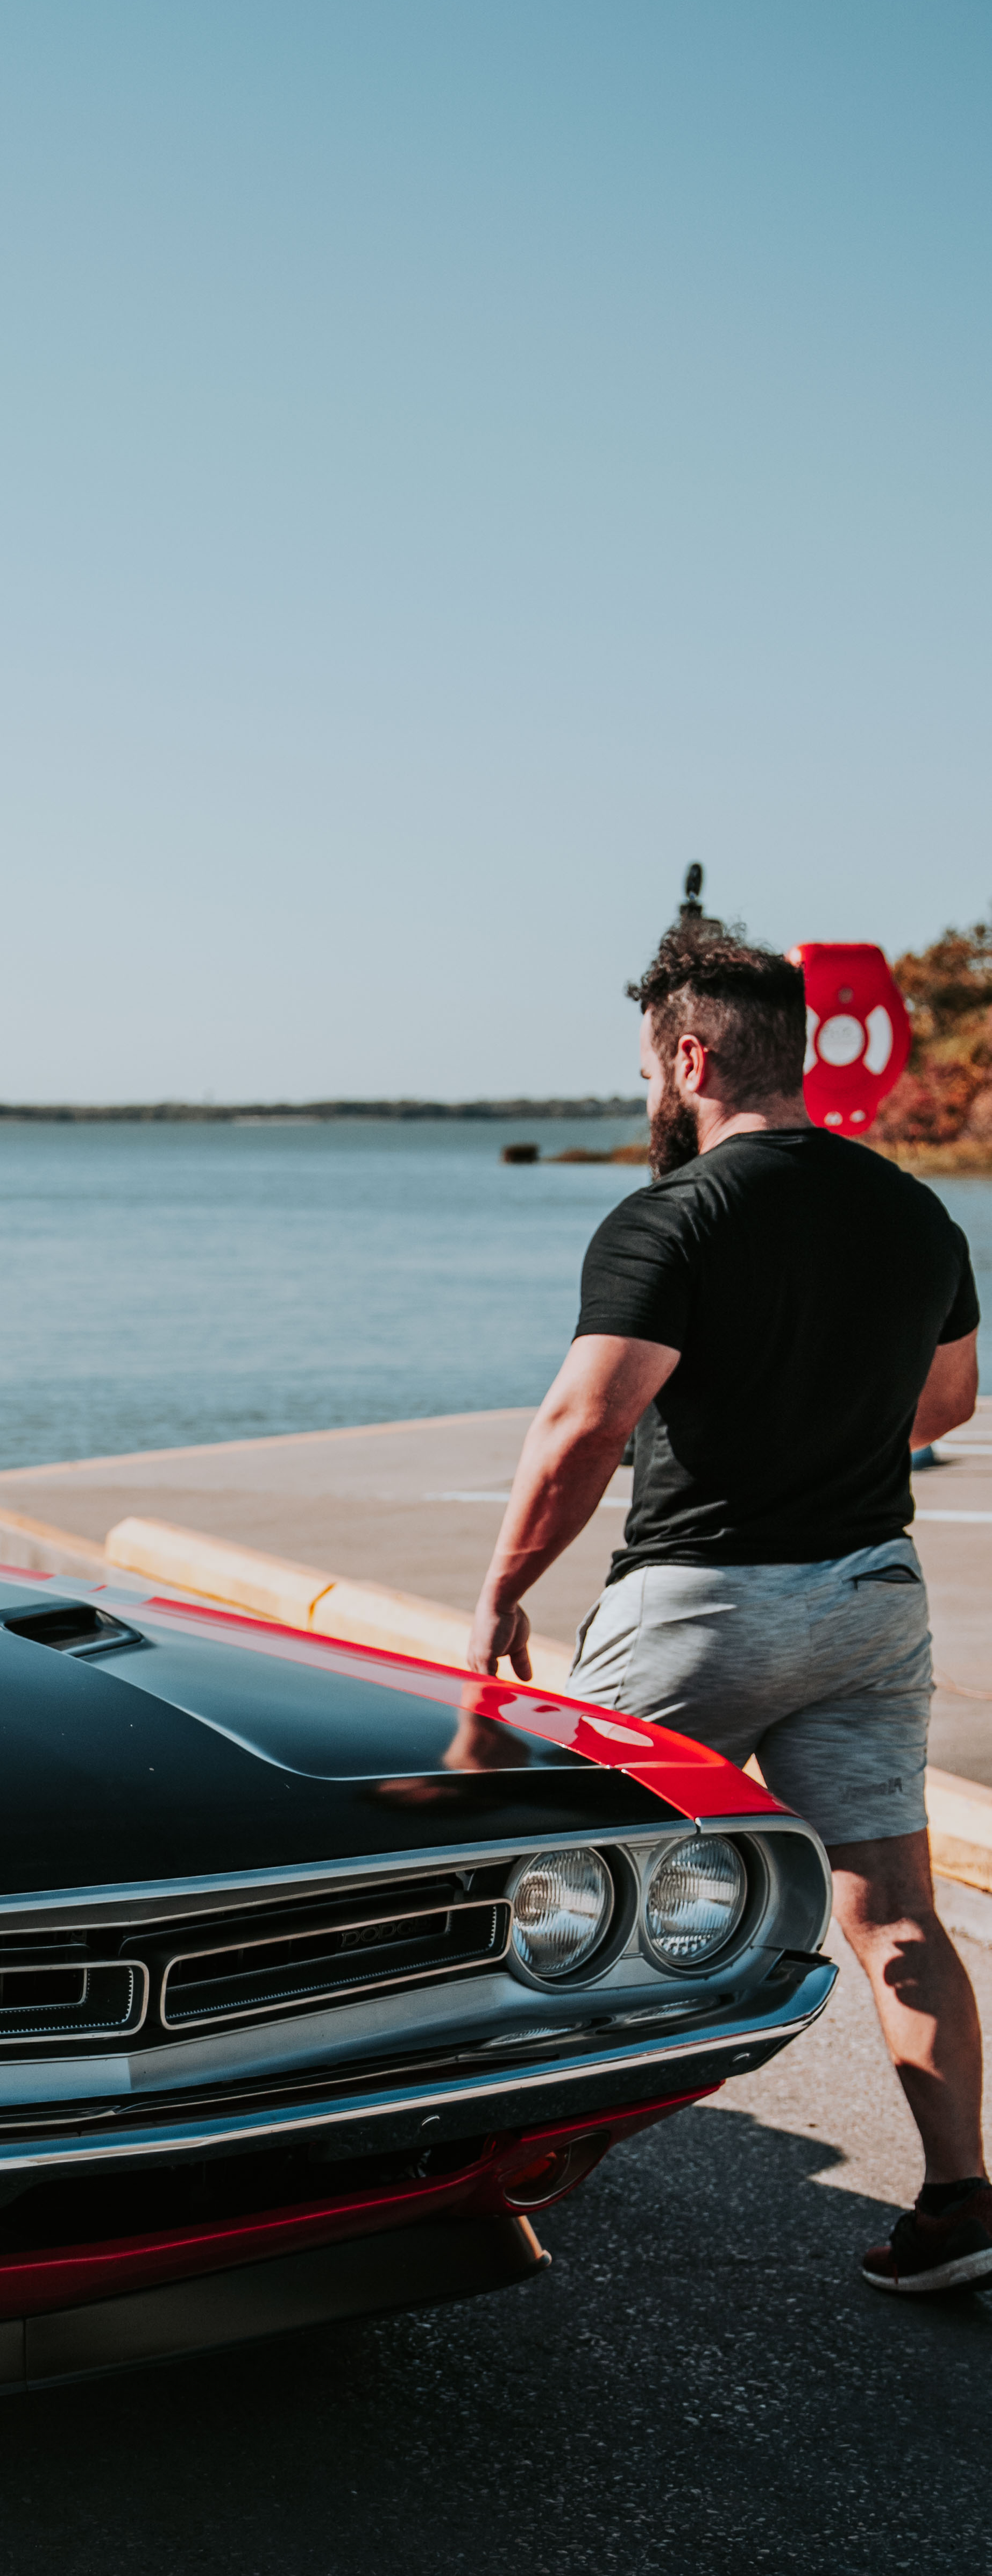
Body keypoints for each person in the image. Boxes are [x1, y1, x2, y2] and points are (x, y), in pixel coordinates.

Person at [468, 905, 988, 2293]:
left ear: (692, 1060)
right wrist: (832, 1422)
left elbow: (584, 1425)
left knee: (546, 1876)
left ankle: (484, 2174)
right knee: (897, 1912)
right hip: (870, 1599)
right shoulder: (915, 1211)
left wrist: (504, 1590)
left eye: (650, 1069)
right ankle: (959, 2203)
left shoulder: (673, 1215)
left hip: (702, 1606)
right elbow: (948, 1401)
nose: (649, 1091)